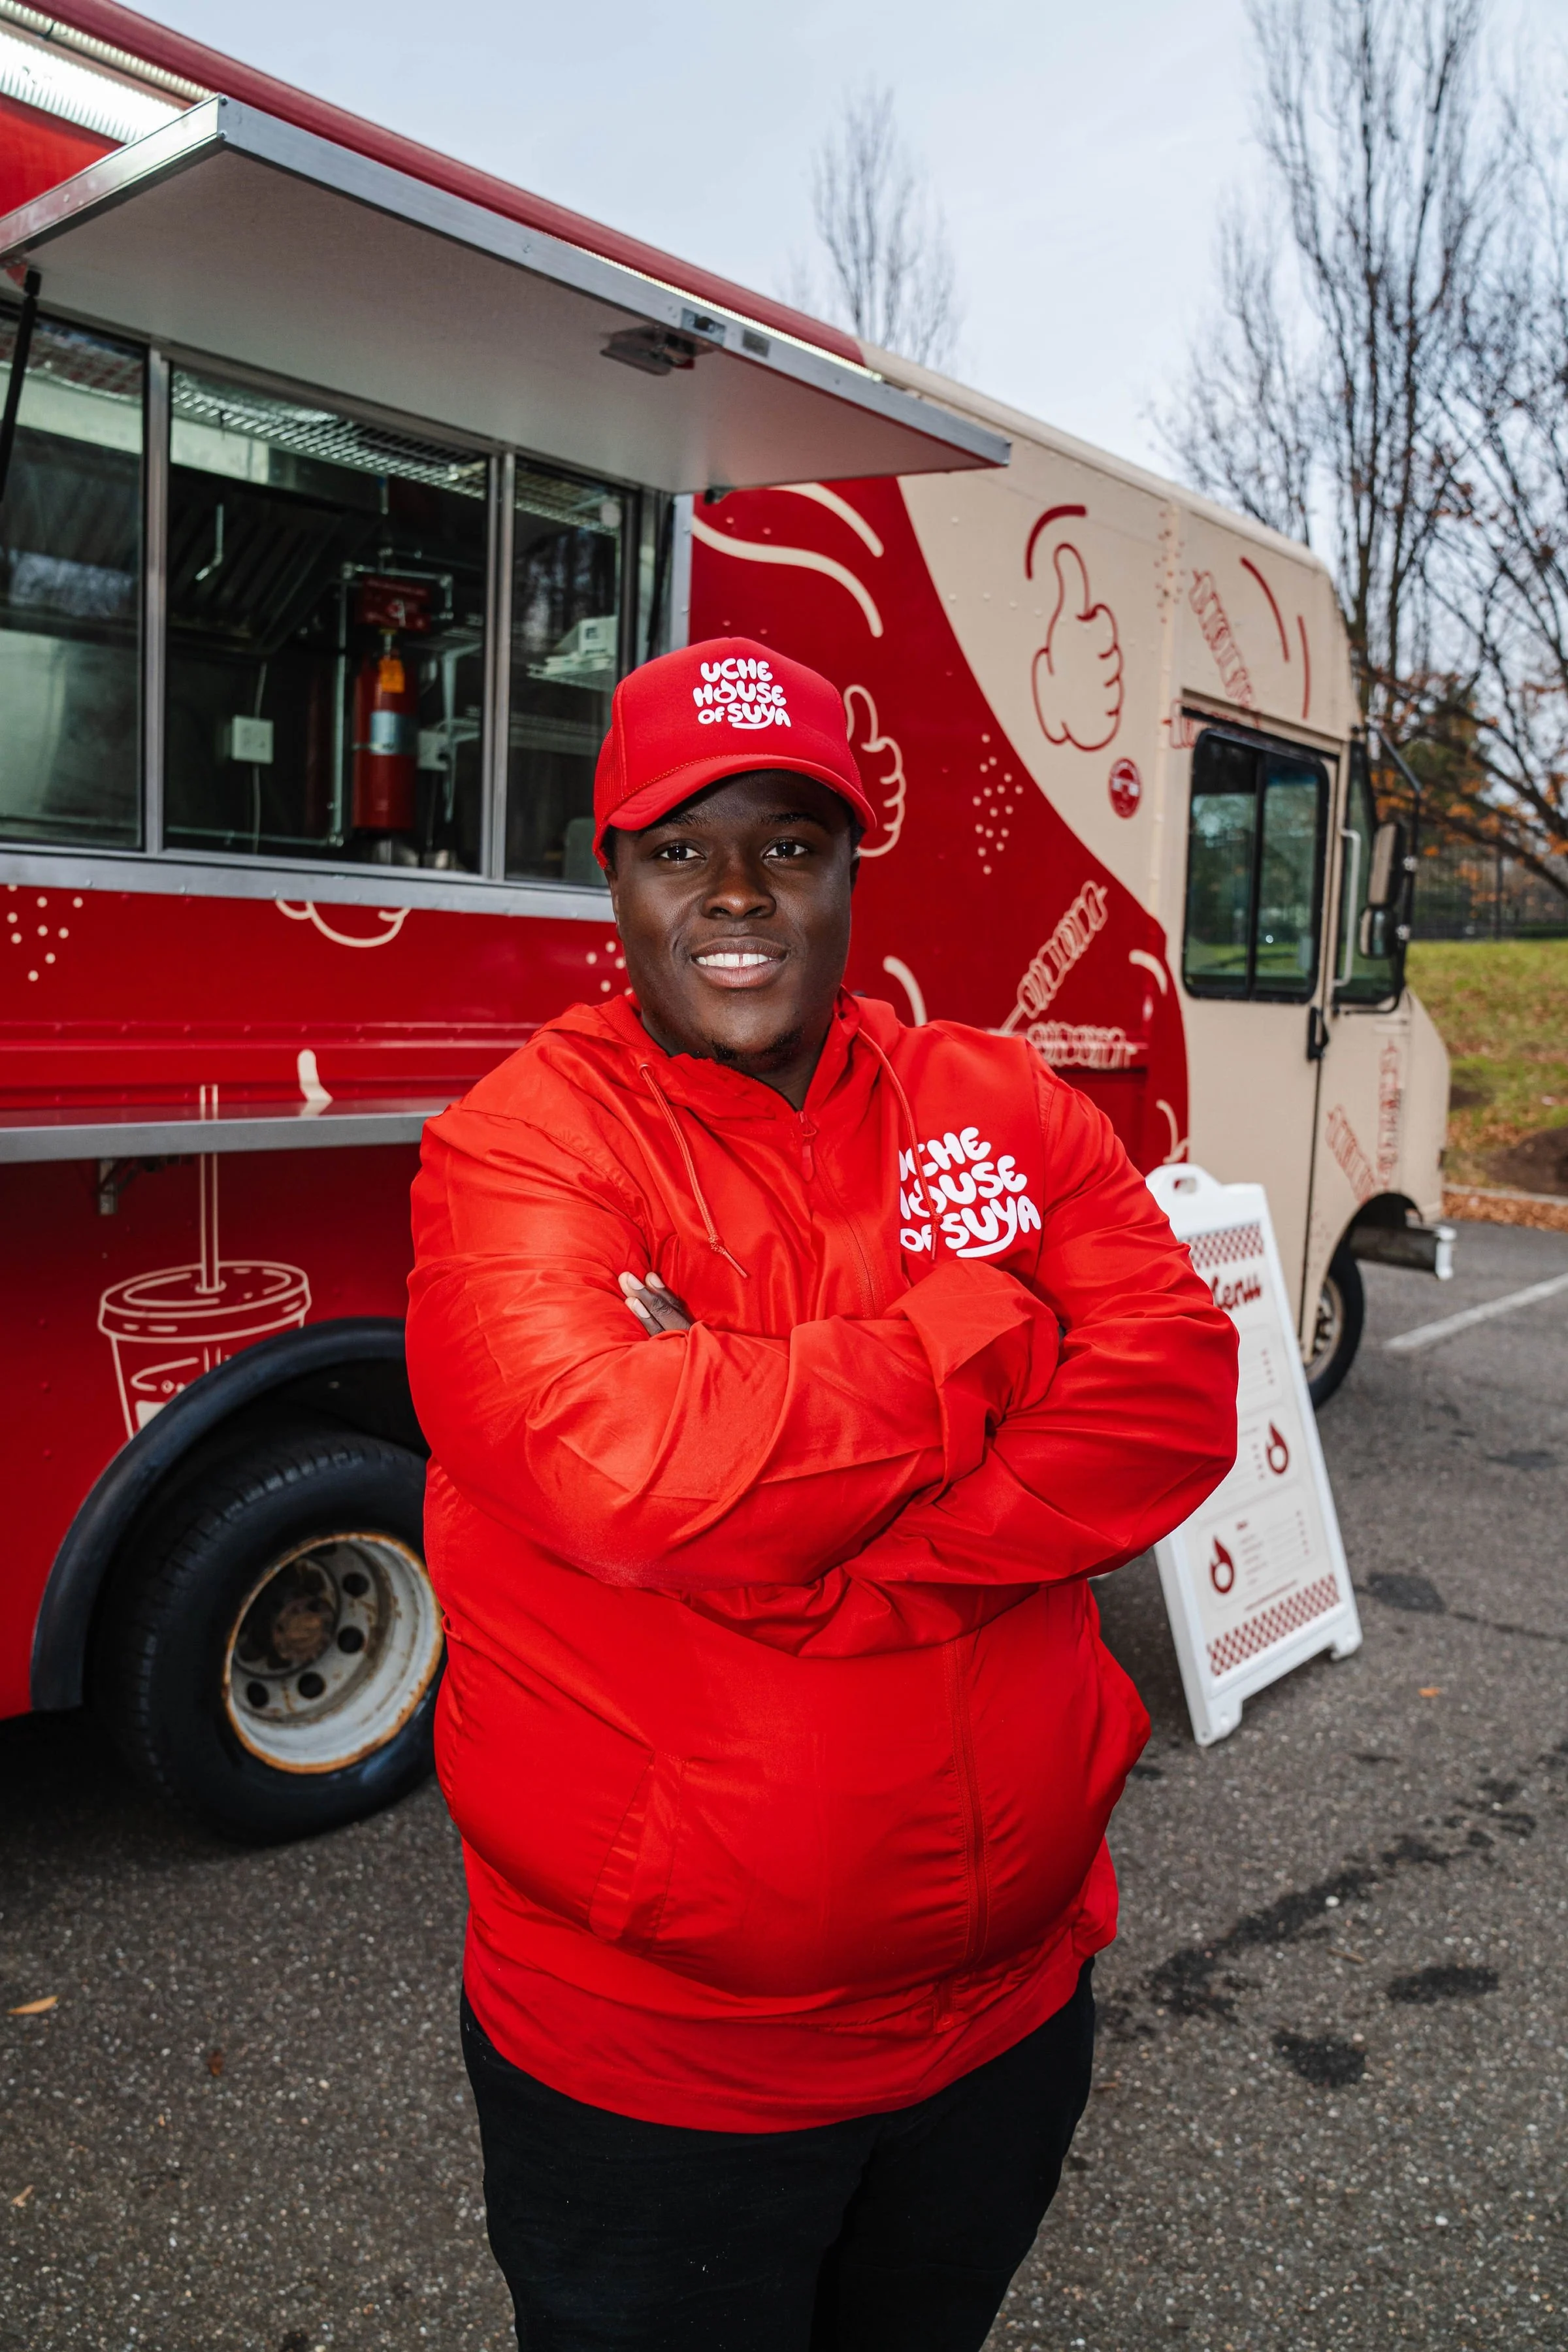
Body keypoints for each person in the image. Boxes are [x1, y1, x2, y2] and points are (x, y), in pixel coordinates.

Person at [406, 637, 1237, 2352]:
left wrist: (809, 1554)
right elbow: (622, 1472)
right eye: (678, 847)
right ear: (610, 874)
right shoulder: (520, 1148)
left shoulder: (1000, 1102)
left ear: (852, 865)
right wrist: (994, 1327)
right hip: (658, 2077)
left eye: (789, 844)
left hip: (1004, 2025)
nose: (736, 894)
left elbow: (1175, 1398)